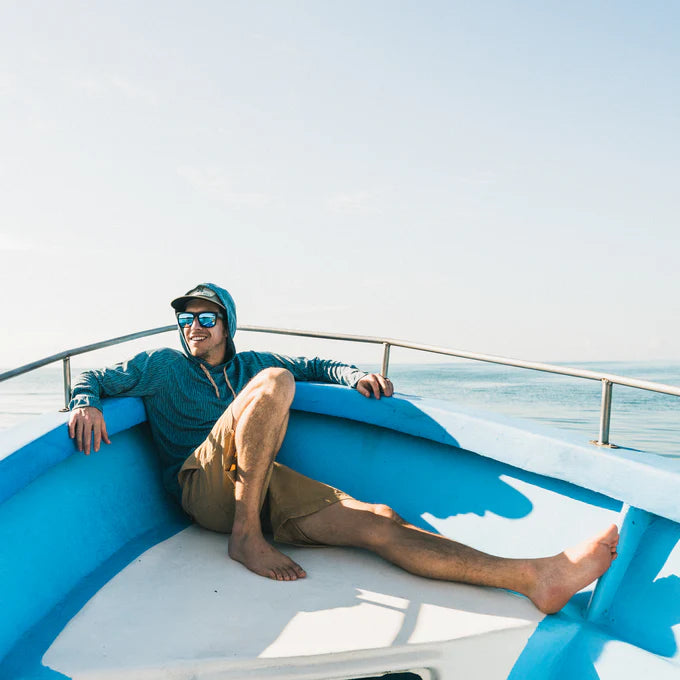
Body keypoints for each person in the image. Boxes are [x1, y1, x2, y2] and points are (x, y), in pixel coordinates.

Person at [68, 283, 619, 614]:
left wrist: (353, 373)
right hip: (200, 482)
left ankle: (533, 579)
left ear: (227, 324)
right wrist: (84, 400)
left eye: (206, 318)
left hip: (261, 482)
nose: (194, 328)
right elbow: (96, 374)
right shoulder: (162, 367)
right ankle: (245, 538)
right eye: (186, 320)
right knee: (277, 383)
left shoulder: (247, 364)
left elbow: (316, 365)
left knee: (380, 520)